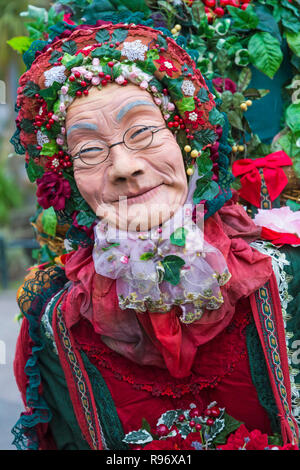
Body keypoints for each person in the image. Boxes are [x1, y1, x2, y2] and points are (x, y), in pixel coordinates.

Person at [11, 20, 298, 450]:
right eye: (89, 150)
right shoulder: (57, 324)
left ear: (184, 137)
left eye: (143, 132)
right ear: (69, 178)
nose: (124, 167)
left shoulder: (287, 272)